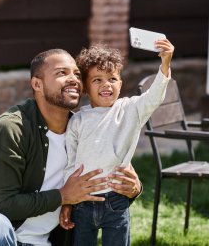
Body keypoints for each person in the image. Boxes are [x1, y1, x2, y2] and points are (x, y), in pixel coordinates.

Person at [0, 48, 142, 246]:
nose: (73, 79)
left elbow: (102, 187)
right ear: (37, 84)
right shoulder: (13, 128)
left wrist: (133, 189)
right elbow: (1, 206)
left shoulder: (83, 131)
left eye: (76, 74)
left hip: (43, 242)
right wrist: (62, 196)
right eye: (61, 73)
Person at [59, 40, 174, 246]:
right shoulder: (77, 120)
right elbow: (70, 162)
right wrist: (68, 202)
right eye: (97, 80)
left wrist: (165, 64)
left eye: (112, 78)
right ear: (85, 87)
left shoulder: (131, 109)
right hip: (83, 202)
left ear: (120, 84)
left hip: (117, 200)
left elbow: (154, 97)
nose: (106, 84)